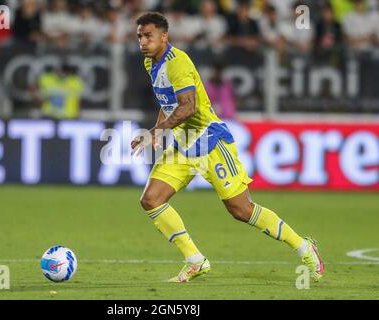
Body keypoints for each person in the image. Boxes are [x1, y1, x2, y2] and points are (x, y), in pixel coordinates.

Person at [131, 12, 324, 283]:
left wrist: (156, 131)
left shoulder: (178, 62)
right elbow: (169, 103)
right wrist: (156, 131)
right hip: (183, 144)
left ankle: (304, 246)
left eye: (148, 35)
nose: (142, 41)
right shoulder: (150, 64)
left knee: (241, 209)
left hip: (210, 140)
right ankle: (195, 260)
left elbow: (189, 106)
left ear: (164, 36)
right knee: (151, 200)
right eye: (139, 35)